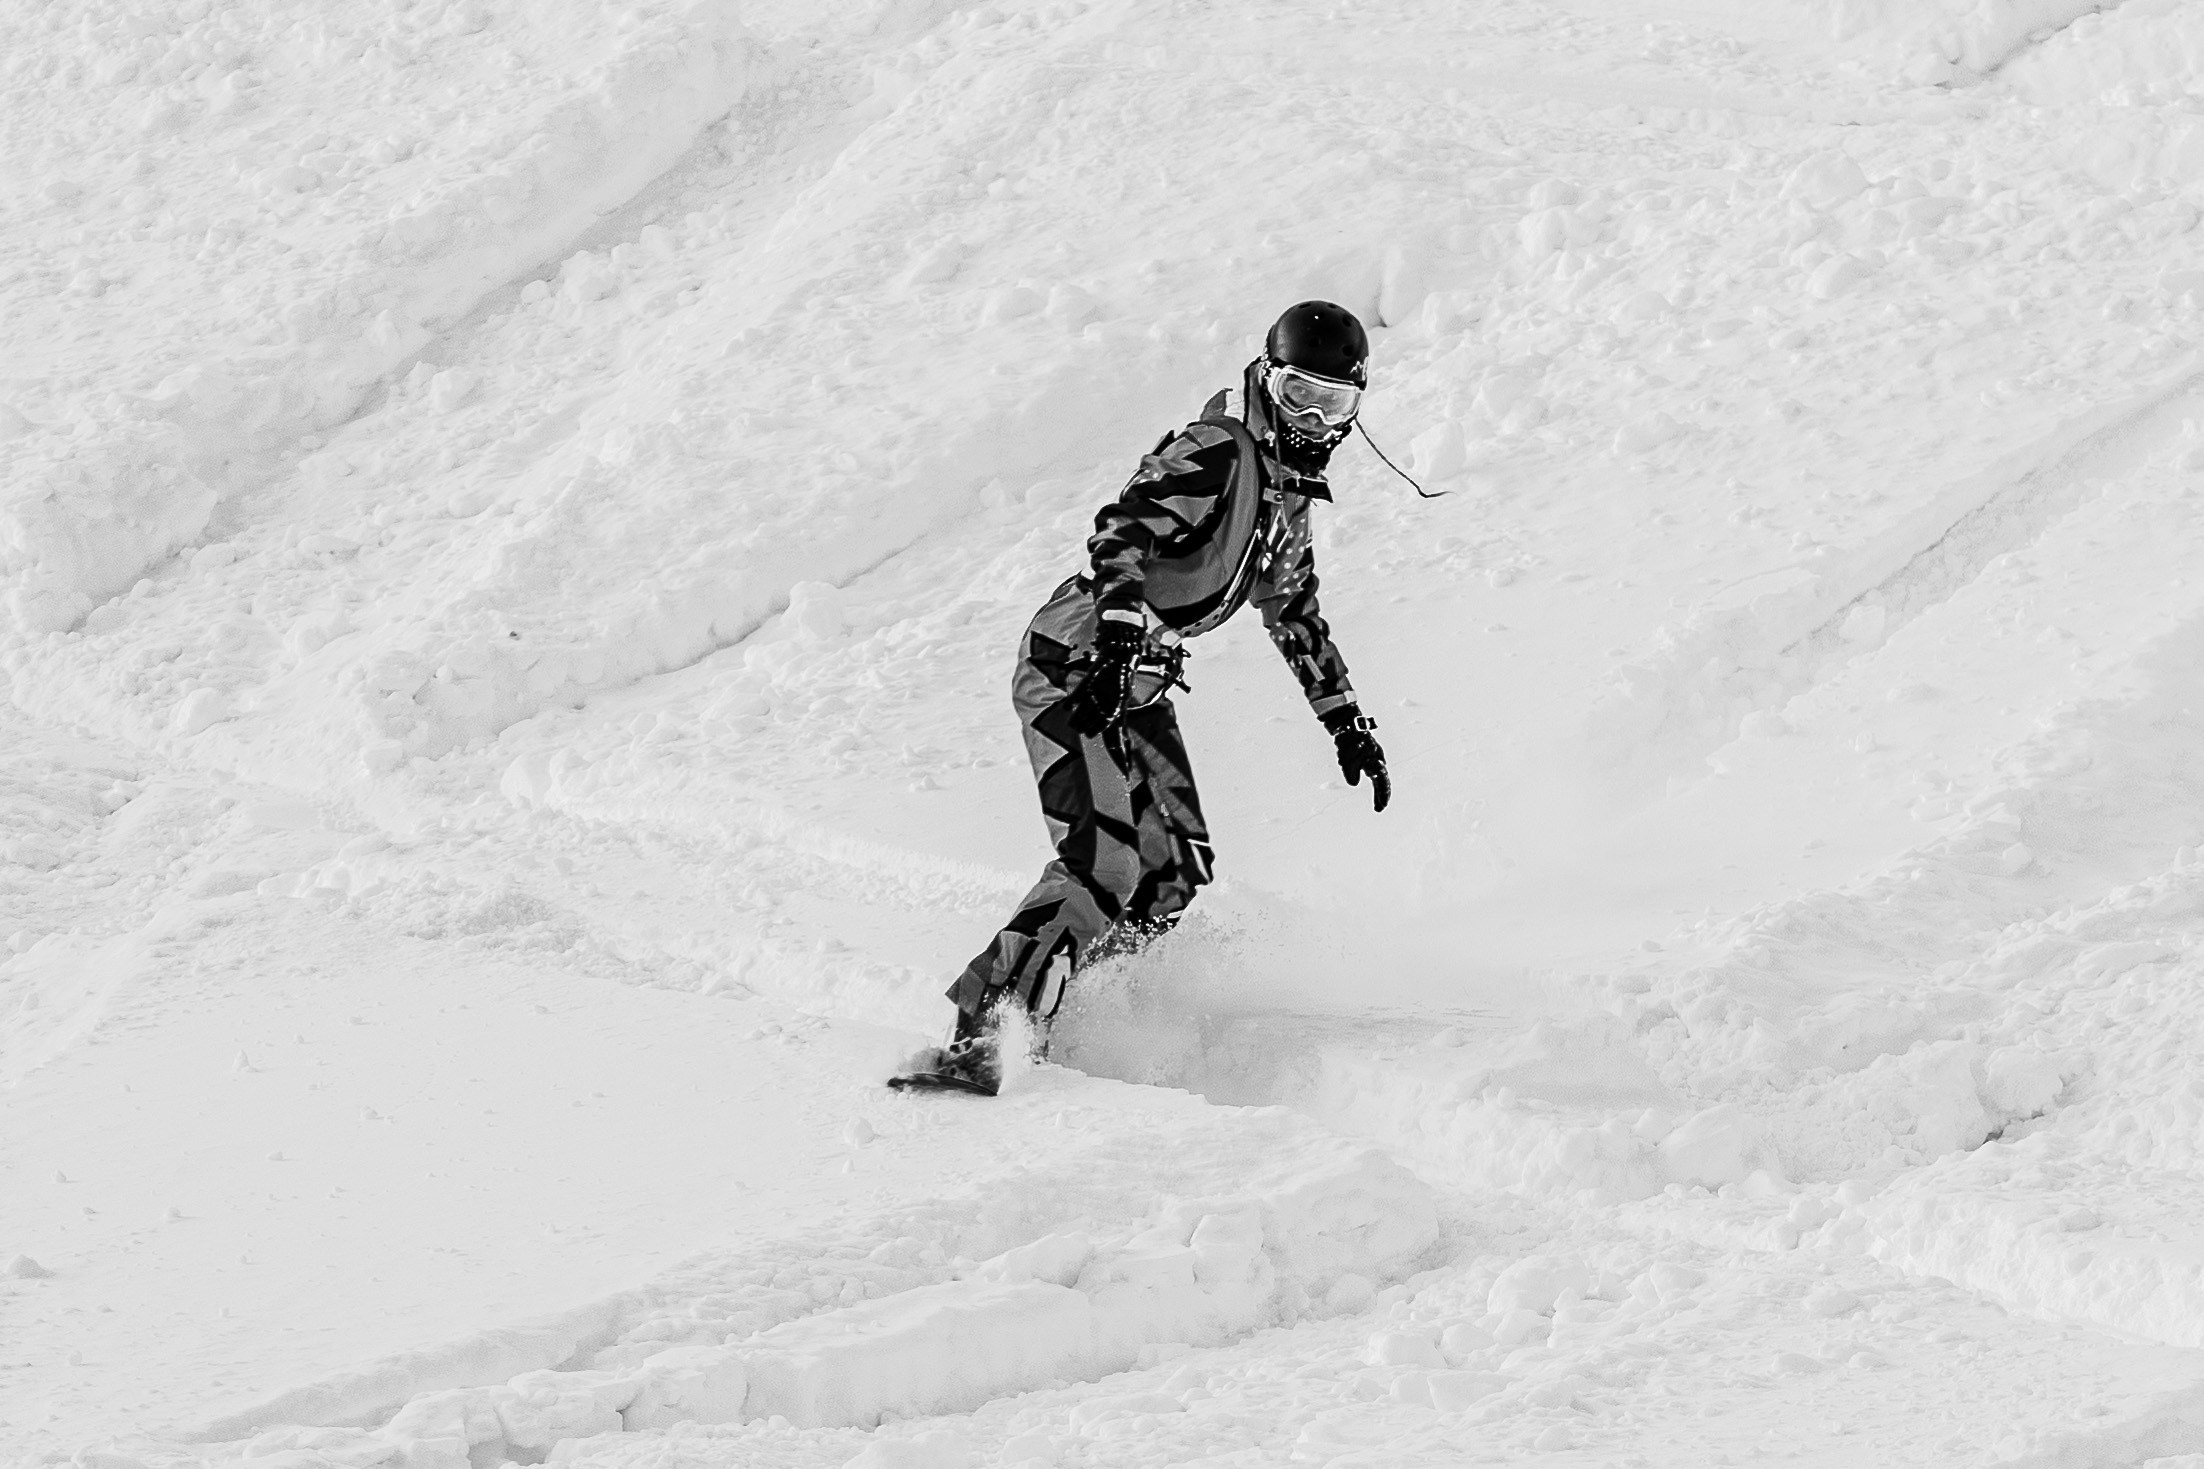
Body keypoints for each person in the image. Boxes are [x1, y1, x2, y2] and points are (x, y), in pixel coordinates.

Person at [918, 301, 1391, 1094]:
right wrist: (1116, 630)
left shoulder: (1287, 493)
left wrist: (1344, 719)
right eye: (1299, 395)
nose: (1312, 419)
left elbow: (1293, 607)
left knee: (1174, 867)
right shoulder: (1221, 451)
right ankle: (987, 1032)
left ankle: (1078, 1001)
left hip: (1135, 677)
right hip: (1076, 662)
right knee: (1104, 862)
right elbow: (1120, 530)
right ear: (1268, 381)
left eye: (1331, 402)